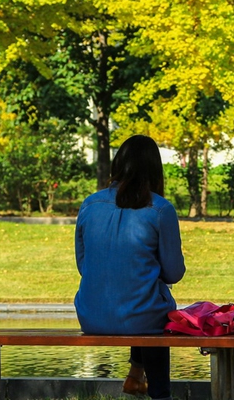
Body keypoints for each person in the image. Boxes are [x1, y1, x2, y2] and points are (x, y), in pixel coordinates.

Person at [74, 134, 186, 400]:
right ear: (155, 169)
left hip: (91, 316)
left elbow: (83, 265)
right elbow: (174, 272)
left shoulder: (90, 204)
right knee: (154, 305)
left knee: (141, 292)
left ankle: (136, 375)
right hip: (144, 317)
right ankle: (160, 394)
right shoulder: (160, 209)